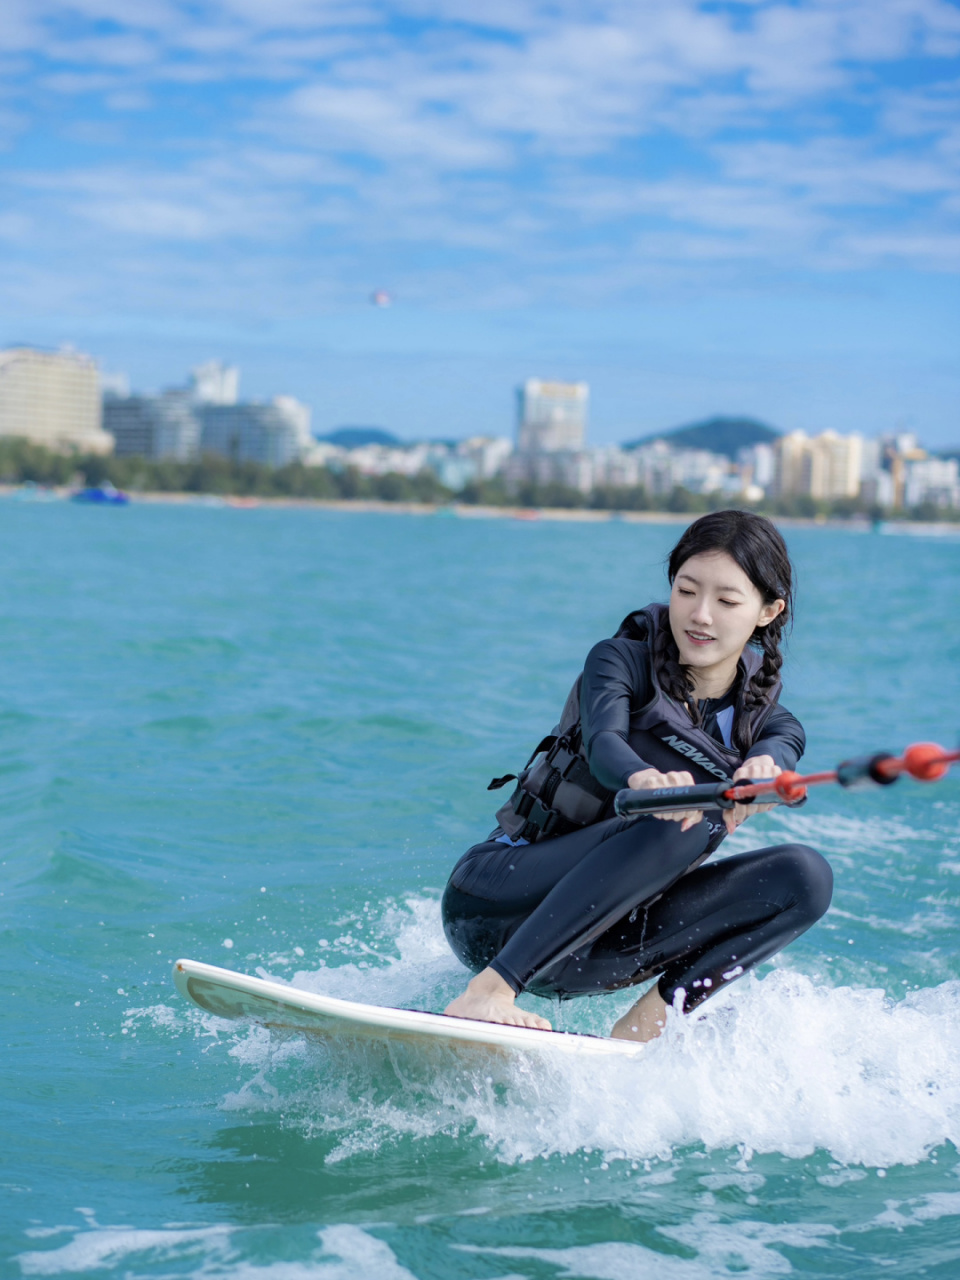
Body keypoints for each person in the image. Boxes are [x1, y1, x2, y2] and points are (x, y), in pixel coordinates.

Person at [441, 510, 833, 1042]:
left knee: (805, 876)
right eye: (687, 590)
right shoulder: (619, 662)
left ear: (769, 611)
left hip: (594, 947)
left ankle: (643, 1029)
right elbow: (605, 745)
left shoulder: (773, 725)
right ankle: (488, 992)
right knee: (686, 818)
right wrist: (643, 781)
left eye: (727, 601)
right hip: (498, 904)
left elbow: (777, 755)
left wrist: (765, 775)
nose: (700, 615)